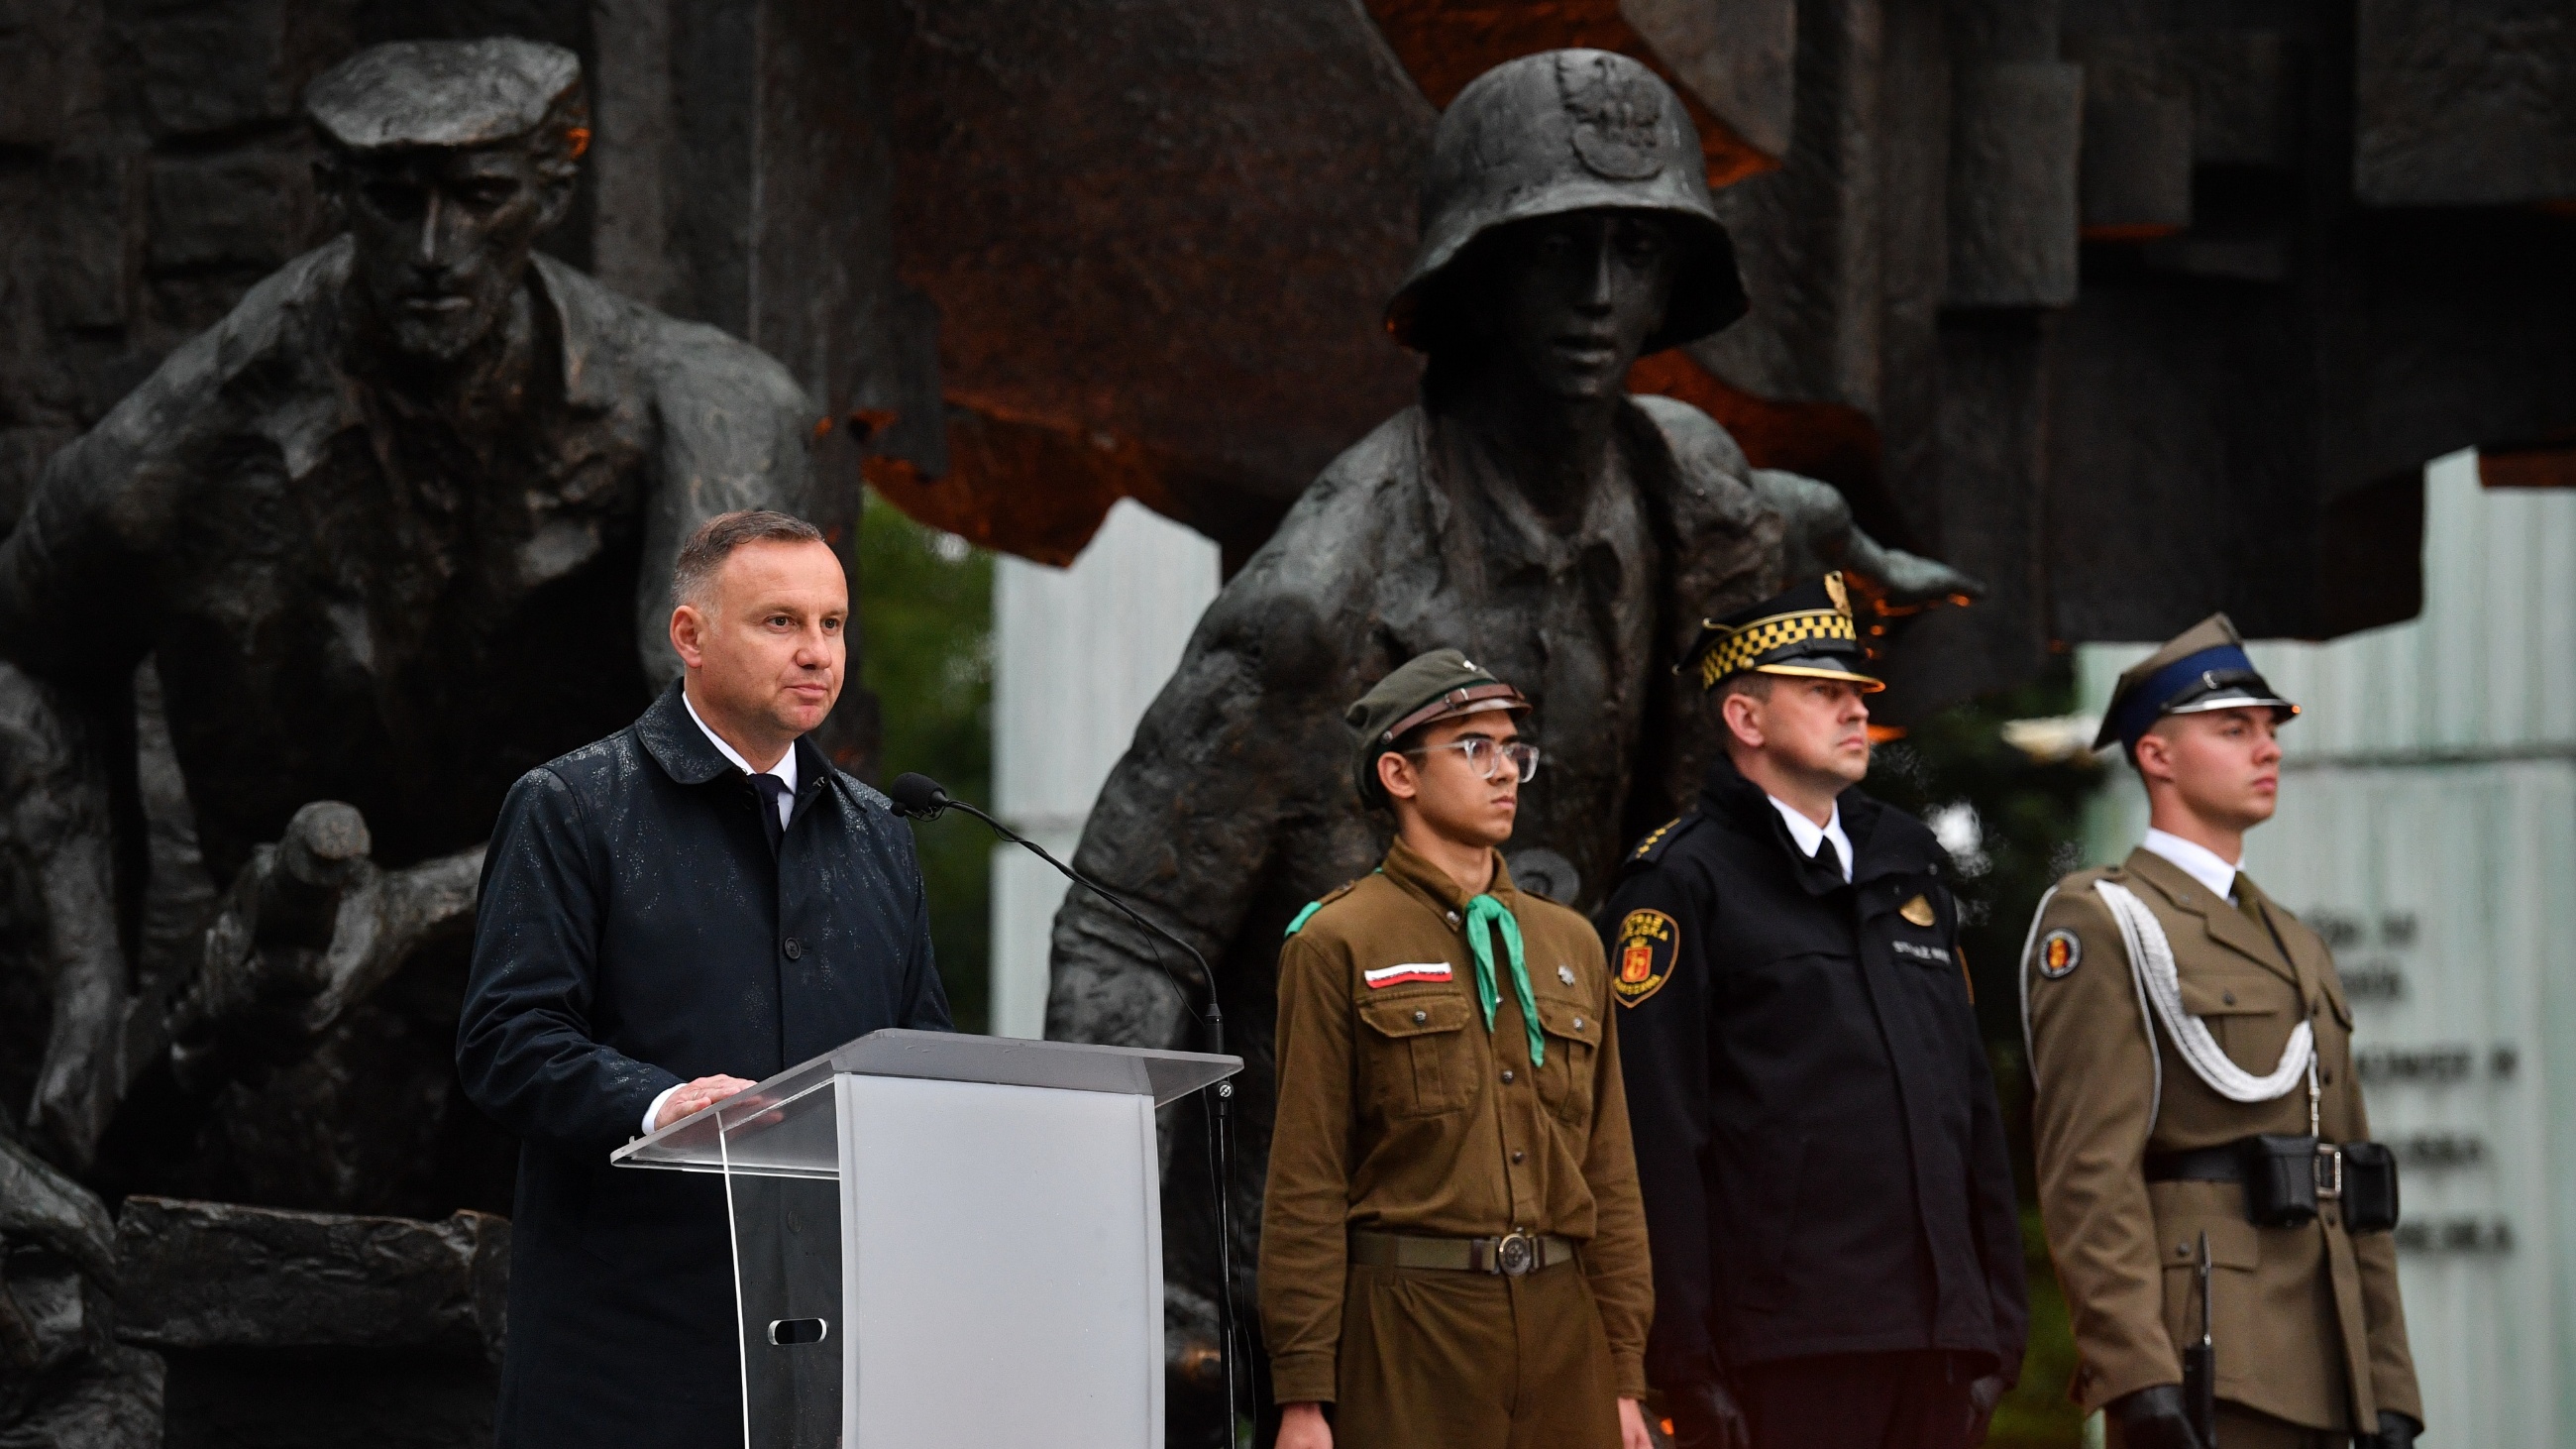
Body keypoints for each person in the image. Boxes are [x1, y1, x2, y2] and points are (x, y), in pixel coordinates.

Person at [1045, 51, 1979, 1416]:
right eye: (1555, 252)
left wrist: (1859, 553)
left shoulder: (1685, 483)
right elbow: (1127, 933)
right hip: (1369, 1257)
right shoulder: (1314, 603)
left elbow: (1779, 506)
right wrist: (1138, 1273)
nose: (1600, 296)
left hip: (1586, 1233)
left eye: (1636, 250)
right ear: (1473, 273)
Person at [0, 37, 820, 1191]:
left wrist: (415, 910)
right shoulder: (202, 418)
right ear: (332, 198)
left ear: (551, 187)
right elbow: (29, 652)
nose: (434, 252)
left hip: (604, 977)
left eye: (477, 200)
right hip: (291, 999)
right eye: (393, 202)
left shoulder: (706, 404)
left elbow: (730, 756)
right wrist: (91, 994)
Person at [455, 509, 951, 1449]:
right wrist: (660, 1102)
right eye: (780, 622)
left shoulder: (882, 832)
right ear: (690, 636)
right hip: (632, 1360)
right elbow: (505, 1042)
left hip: (839, 1354)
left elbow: (919, 1065)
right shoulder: (573, 806)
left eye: (832, 624)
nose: (816, 652)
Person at [1602, 574, 2026, 1449]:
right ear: (1746, 721)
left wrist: (1998, 1320)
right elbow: (1656, 1137)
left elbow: (1969, 1107)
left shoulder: (1906, 868)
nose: (1855, 711)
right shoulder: (1681, 883)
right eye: (1822, 692)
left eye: (1858, 693)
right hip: (1785, 1346)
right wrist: (1681, 1356)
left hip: (1939, 1343)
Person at [2020, 615, 2420, 1449]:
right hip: (2208, 1357)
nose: (2266, 748)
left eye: (2268, 730)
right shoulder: (2106, 921)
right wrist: (2136, 1374)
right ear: (2156, 755)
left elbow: (2356, 1182)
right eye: (2233, 729)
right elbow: (2089, 1173)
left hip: (2327, 1361)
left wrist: (2387, 1382)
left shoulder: (2295, 941)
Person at [1260, 648, 1654, 1449]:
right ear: (1400, 776)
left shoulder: (1572, 940)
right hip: (1411, 1325)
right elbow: (1306, 1177)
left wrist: (1624, 1373)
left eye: (1514, 750)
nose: (1505, 770)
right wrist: (1303, 1395)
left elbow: (1610, 1173)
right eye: (1474, 748)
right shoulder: (1339, 939)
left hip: (1563, 1326)